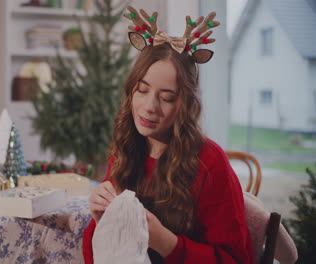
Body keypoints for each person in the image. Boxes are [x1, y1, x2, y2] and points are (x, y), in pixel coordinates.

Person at [82, 6, 255, 264]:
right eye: (142, 90)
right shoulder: (126, 147)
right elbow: (94, 256)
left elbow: (237, 260)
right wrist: (101, 221)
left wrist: (163, 240)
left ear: (185, 105)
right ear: (131, 91)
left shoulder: (209, 163)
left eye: (166, 98)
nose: (150, 106)